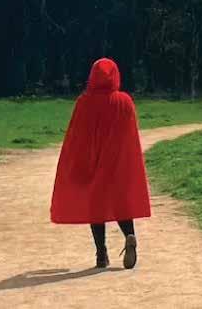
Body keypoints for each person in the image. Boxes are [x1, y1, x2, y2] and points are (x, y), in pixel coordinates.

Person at [50, 58, 151, 269]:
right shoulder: (125, 101)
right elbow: (130, 137)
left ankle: (101, 254)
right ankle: (129, 235)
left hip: (93, 162)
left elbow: (76, 136)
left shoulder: (84, 102)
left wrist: (75, 163)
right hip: (117, 164)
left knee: (95, 207)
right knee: (120, 204)